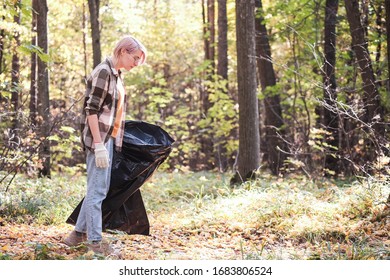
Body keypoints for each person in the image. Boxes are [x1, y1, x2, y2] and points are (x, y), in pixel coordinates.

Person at [63, 35, 147, 255]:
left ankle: (77, 236)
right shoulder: (103, 71)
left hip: (109, 139)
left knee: (97, 189)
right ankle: (95, 242)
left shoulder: (116, 74)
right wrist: (99, 145)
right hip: (98, 140)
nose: (136, 63)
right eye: (135, 58)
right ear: (122, 51)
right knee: (97, 192)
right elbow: (91, 110)